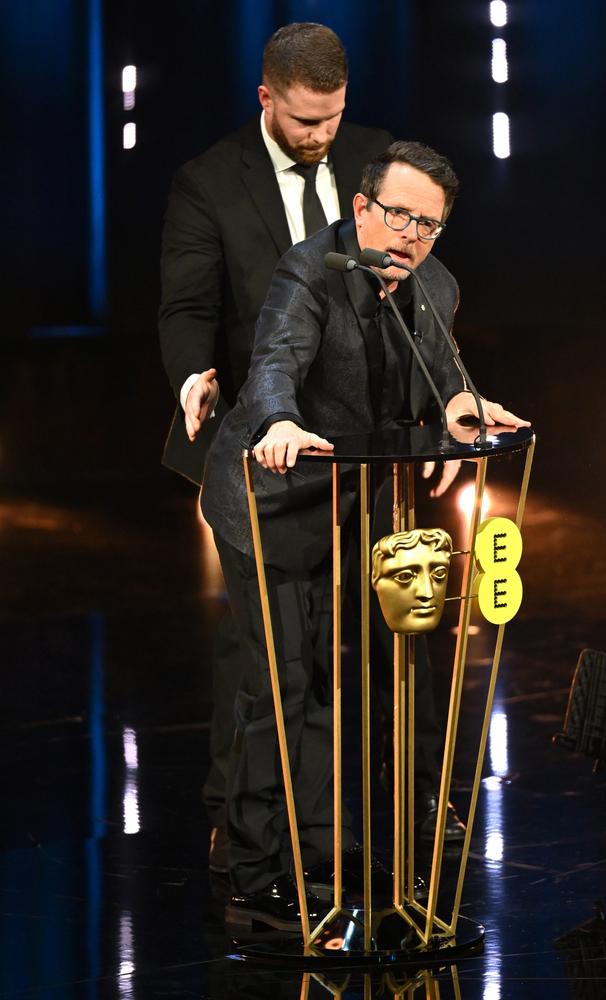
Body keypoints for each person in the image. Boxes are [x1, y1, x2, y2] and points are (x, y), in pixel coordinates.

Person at [200, 140, 530, 928]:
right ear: (360, 210)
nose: (410, 236)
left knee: (357, 677)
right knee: (281, 685)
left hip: (357, 504)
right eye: (397, 216)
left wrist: (456, 405)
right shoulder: (307, 271)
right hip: (270, 497)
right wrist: (277, 418)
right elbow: (276, 359)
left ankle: (340, 844)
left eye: (429, 225)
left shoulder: (434, 282)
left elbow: (442, 370)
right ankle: (253, 866)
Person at [158, 23, 392, 871]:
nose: (320, 136)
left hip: (359, 440)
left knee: (357, 631)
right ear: (266, 98)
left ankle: (355, 812)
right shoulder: (210, 182)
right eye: (303, 121)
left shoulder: (373, 163)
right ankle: (238, 816)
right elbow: (187, 307)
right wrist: (194, 375)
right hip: (253, 439)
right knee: (258, 642)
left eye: (331, 118)